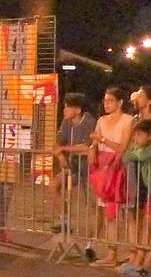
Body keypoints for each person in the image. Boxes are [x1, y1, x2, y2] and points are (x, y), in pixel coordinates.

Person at [118, 118, 151, 276]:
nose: (136, 139)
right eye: (135, 135)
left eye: (139, 135)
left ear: (150, 135)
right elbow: (126, 157)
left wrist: (137, 151)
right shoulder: (141, 144)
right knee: (148, 222)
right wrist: (137, 149)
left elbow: (143, 156)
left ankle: (148, 262)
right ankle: (139, 260)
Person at [88, 86, 135, 264]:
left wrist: (102, 140)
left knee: (127, 213)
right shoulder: (101, 120)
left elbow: (122, 147)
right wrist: (93, 147)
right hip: (104, 169)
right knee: (109, 213)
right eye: (105, 100)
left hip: (120, 168)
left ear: (120, 102)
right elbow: (94, 142)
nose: (106, 104)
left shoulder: (128, 121)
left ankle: (133, 252)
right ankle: (111, 253)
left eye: (110, 100)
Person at [55, 93, 95, 249]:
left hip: (89, 168)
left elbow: (87, 147)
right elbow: (58, 143)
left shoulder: (90, 122)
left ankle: (91, 244)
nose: (64, 110)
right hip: (73, 167)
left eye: (67, 106)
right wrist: (60, 155)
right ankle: (65, 220)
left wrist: (64, 149)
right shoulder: (66, 122)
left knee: (92, 205)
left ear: (77, 109)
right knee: (54, 186)